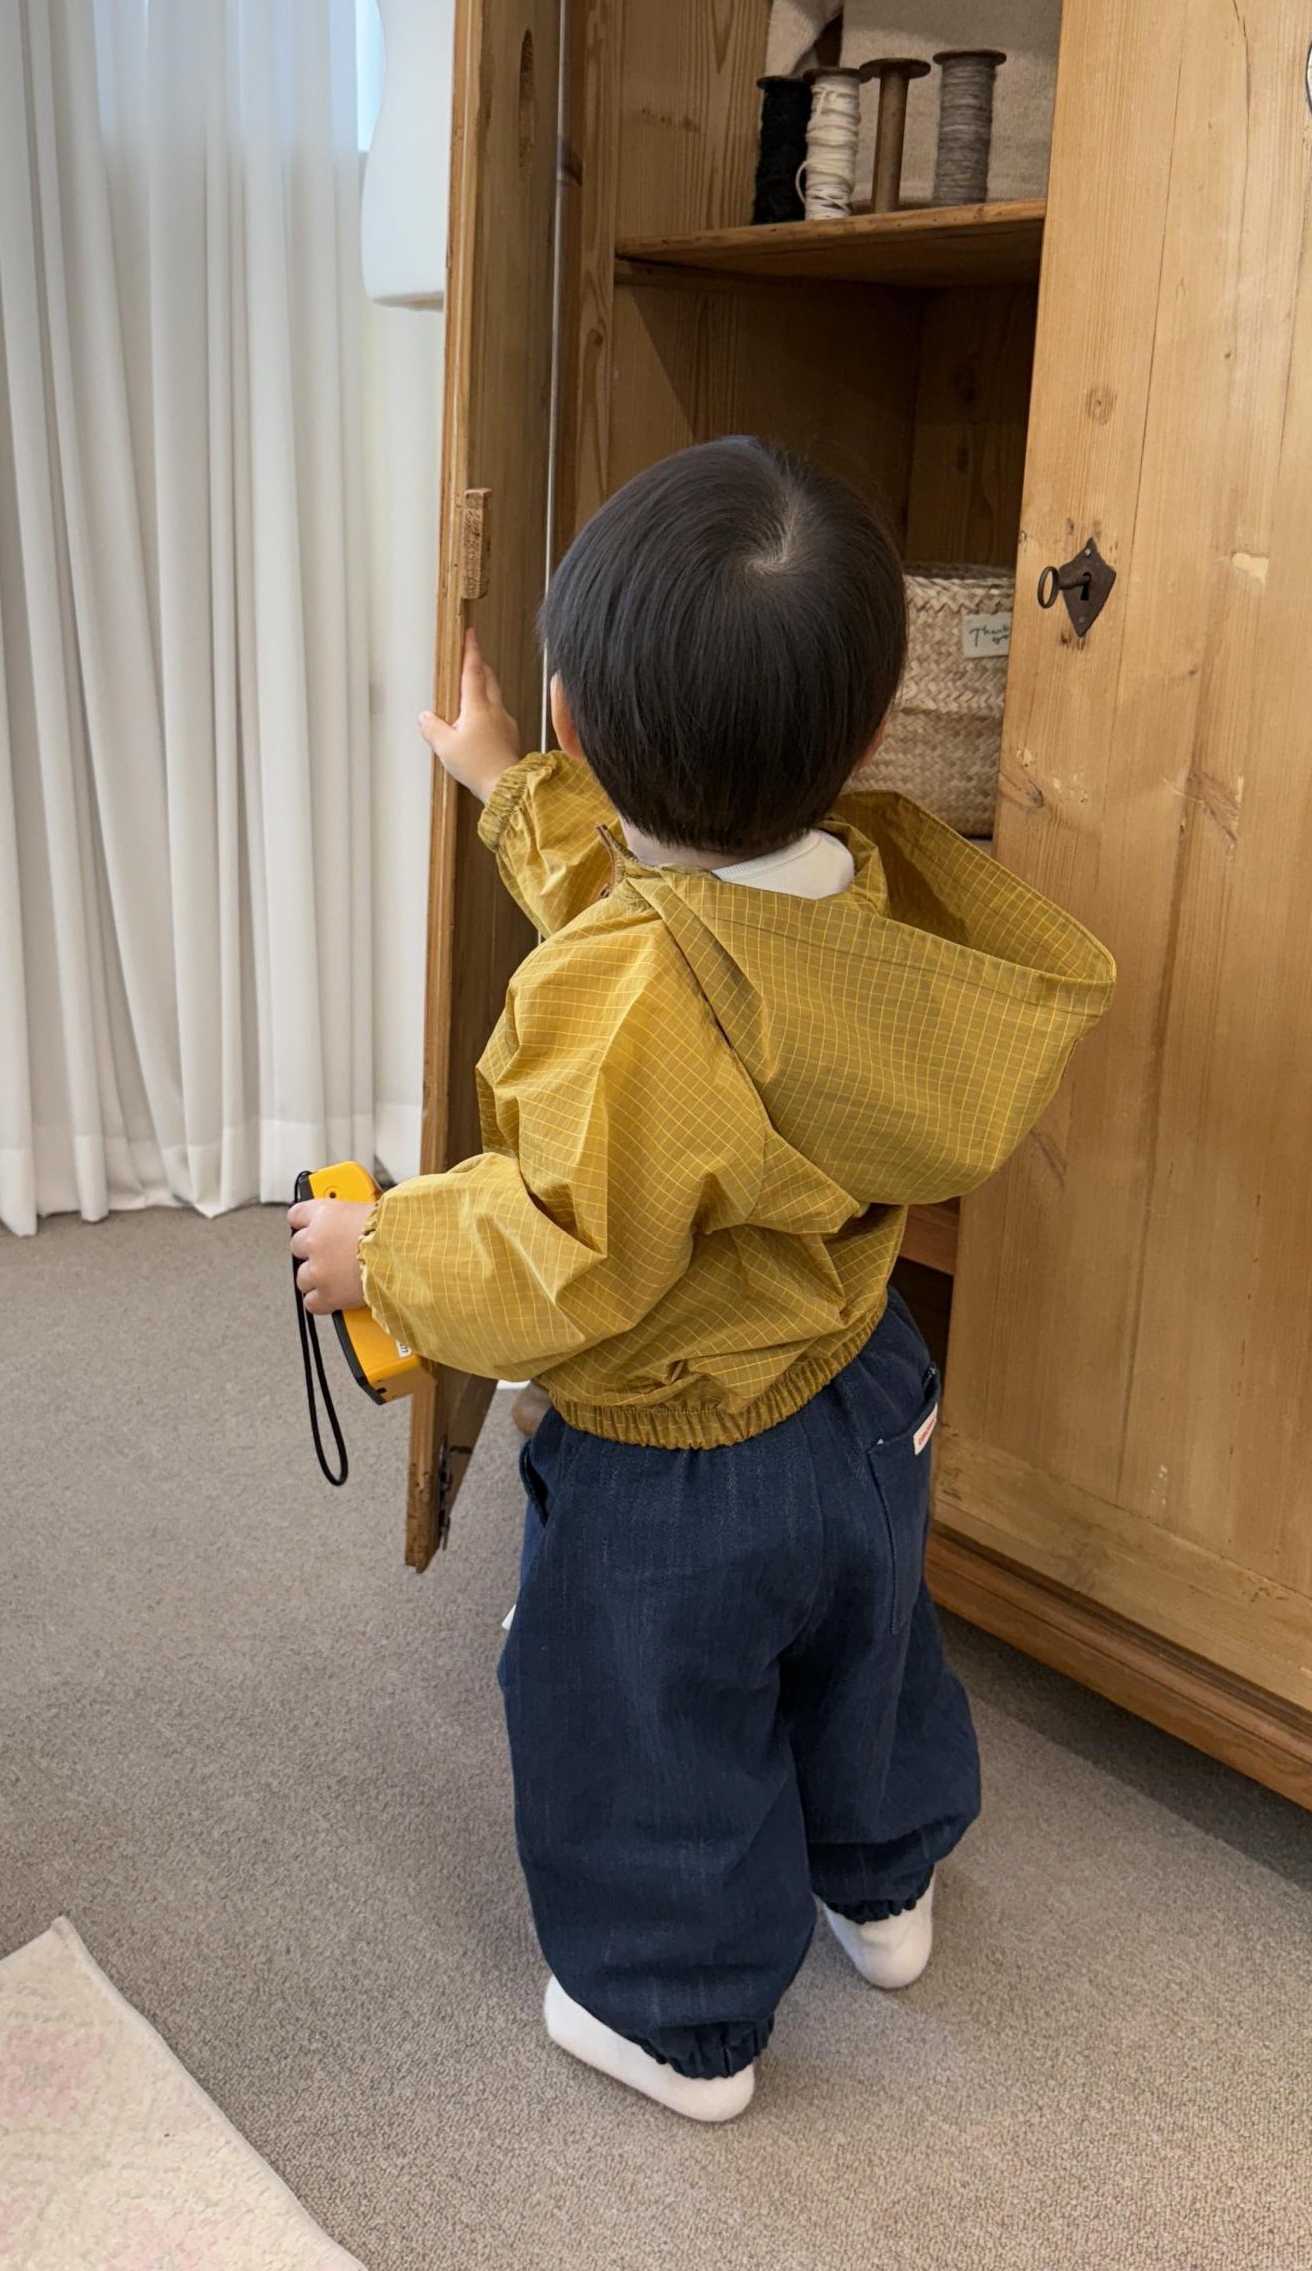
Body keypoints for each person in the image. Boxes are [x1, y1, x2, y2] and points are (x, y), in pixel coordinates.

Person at [289, 438, 1114, 2122]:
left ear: (578, 722)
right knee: (867, 1653)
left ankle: (675, 2018)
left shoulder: (625, 1006)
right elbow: (664, 899)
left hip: (680, 1467)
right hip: (866, 1383)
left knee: (642, 1718)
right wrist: (511, 785)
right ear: (865, 740)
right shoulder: (871, 898)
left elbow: (560, 1250)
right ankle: (883, 1888)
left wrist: (388, 1252)